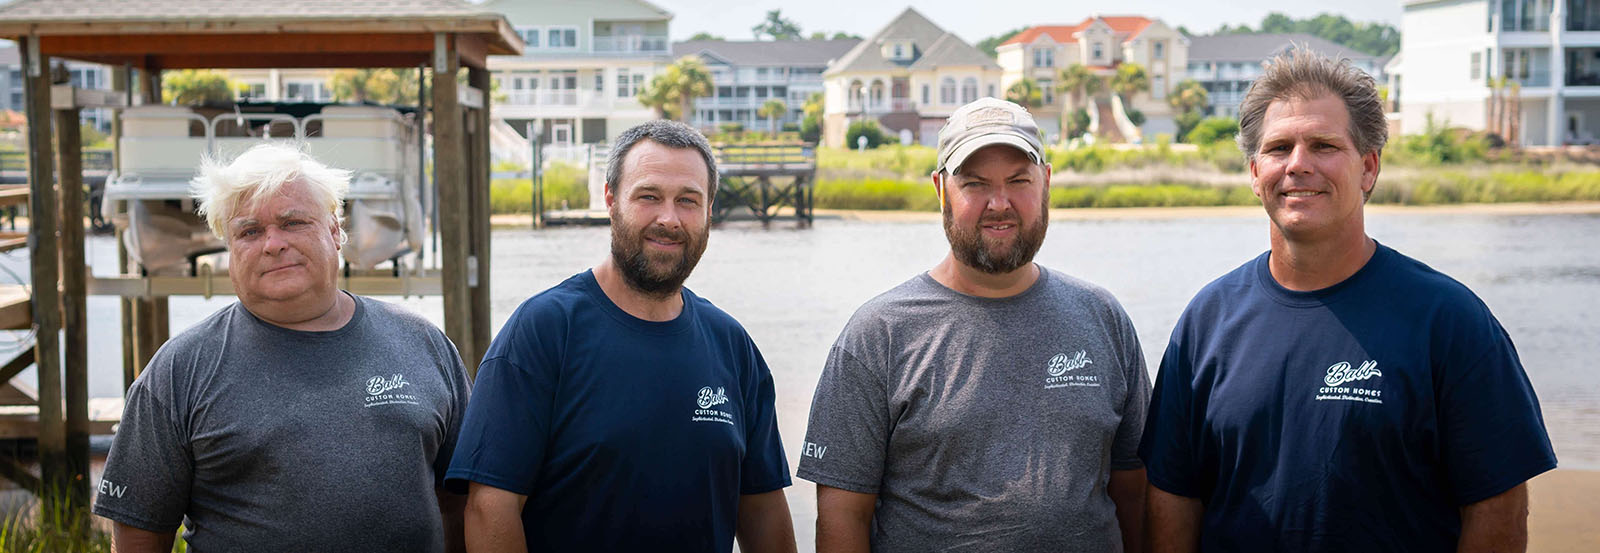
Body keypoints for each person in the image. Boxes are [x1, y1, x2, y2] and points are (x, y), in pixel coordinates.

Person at [1140, 49, 1558, 553]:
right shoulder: (1206, 321)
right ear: (1255, 173)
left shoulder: (1450, 320)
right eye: (1278, 148)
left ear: (1368, 166)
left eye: (1323, 145)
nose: (1298, 164)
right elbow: (1174, 500)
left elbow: (1498, 509)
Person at [798, 98, 1151, 552]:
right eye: (975, 184)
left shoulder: (1103, 318)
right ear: (940, 189)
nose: (999, 204)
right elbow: (843, 514)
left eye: (1018, 181)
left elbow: (1134, 488)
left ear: (1046, 183)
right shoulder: (878, 334)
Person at [93, 143, 472, 552]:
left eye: (293, 223)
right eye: (250, 231)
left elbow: (463, 504)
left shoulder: (423, 344)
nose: (273, 243)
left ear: (334, 231)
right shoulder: (178, 371)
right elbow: (138, 537)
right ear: (230, 248)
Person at [445, 120, 795, 552]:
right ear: (610, 198)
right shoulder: (544, 331)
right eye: (649, 196)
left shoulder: (731, 344)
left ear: (708, 212)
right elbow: (489, 510)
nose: (669, 219)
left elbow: (763, 509)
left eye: (688, 200)